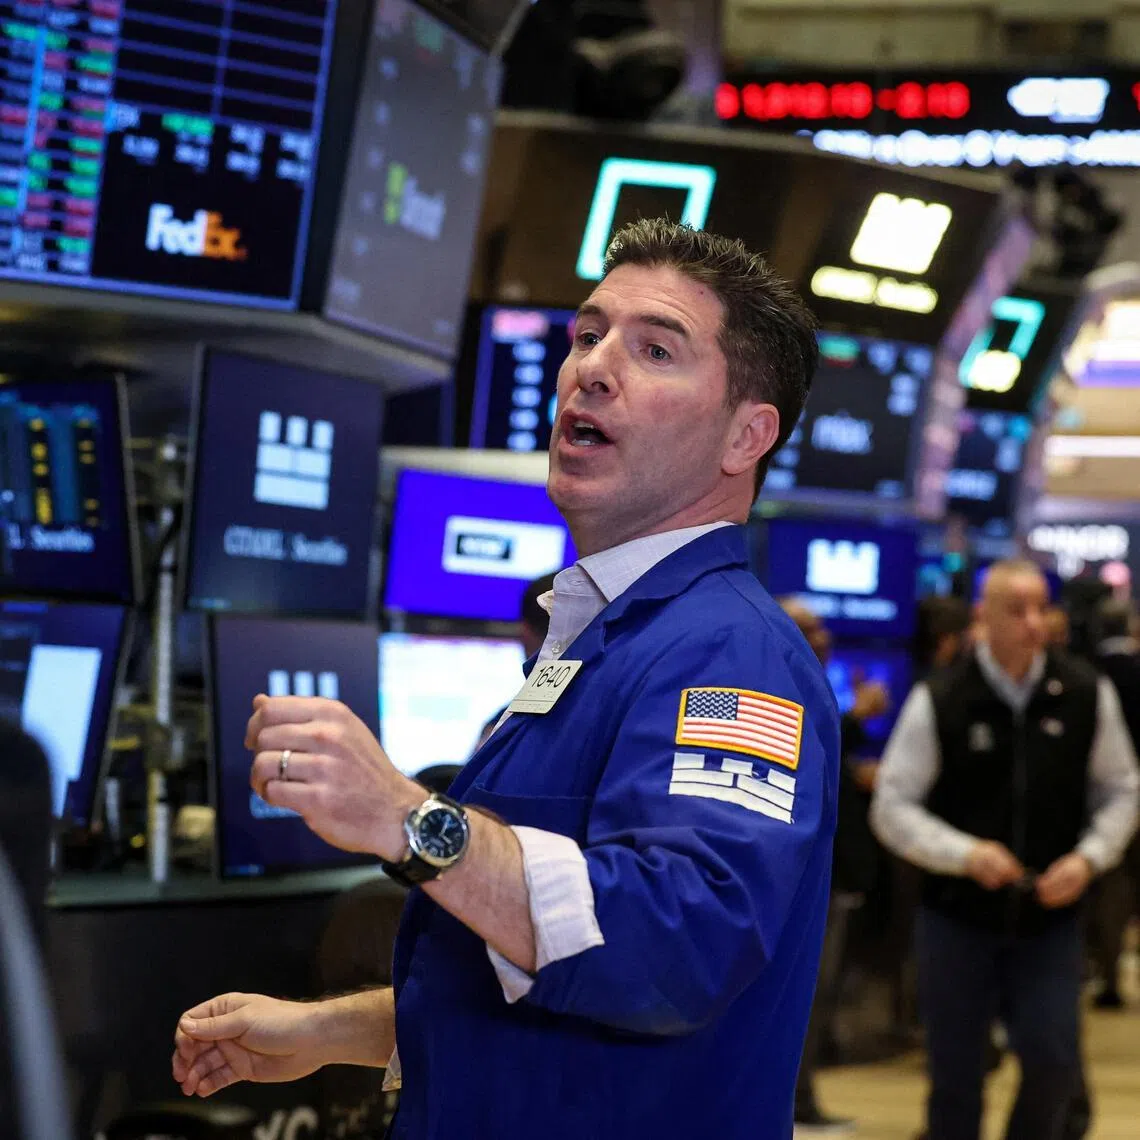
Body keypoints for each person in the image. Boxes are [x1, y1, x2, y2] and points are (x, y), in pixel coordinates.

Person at [172, 219, 839, 1140]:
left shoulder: (731, 655)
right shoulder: (604, 638)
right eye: (588, 334)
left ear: (746, 436)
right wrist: (326, 1031)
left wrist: (411, 822)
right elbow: (549, 985)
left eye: (655, 349)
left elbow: (677, 948)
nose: (592, 368)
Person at [870, 560, 1139, 1140]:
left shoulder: (1085, 693)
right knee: (956, 1078)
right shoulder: (941, 697)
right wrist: (964, 854)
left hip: (1051, 918)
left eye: (1041, 607)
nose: (1033, 623)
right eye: (1016, 609)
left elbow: (1121, 790)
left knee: (1052, 1063)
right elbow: (892, 805)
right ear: (982, 617)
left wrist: (1089, 857)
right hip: (956, 918)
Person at [780, 599, 888, 1135]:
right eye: (808, 628)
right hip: (797, 882)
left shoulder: (815, 687)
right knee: (802, 999)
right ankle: (793, 1104)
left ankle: (801, 1099)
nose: (822, 637)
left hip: (836, 875)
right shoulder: (774, 683)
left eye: (821, 628)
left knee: (816, 1000)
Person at [1089, 596, 1140, 1008]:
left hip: (1102, 800)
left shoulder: (1086, 674)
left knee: (1112, 887)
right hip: (1123, 795)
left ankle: (1106, 974)